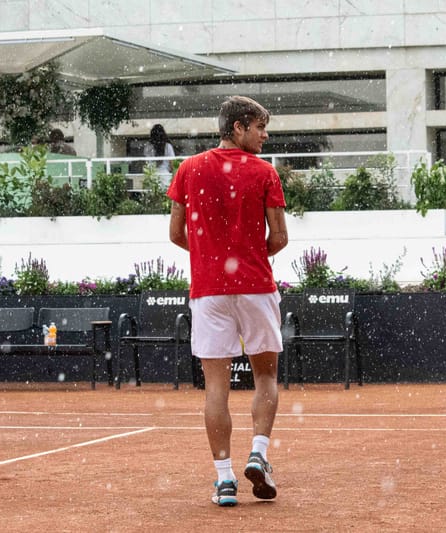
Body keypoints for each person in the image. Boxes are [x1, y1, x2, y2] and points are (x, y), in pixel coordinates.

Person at [167, 96, 288, 507]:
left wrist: (212, 258)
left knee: (215, 386)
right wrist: (246, 258)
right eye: (260, 128)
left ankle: (223, 480)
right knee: (266, 376)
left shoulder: (188, 169)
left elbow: (176, 234)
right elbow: (280, 239)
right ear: (238, 127)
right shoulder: (265, 172)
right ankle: (259, 452)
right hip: (255, 285)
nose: (265, 135)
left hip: (208, 291)